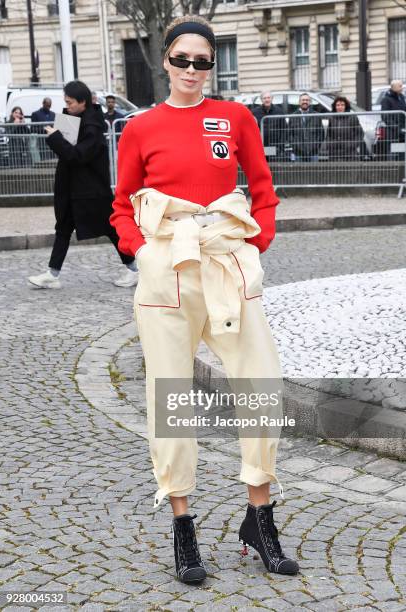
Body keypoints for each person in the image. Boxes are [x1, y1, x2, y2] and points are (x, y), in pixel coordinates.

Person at [110, 14, 299, 585]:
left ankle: (259, 516)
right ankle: (183, 525)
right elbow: (122, 204)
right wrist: (141, 251)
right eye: (181, 59)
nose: (192, 69)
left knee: (261, 382)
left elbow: (263, 189)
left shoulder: (235, 117)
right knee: (170, 396)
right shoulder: (141, 127)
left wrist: (257, 241)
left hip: (225, 261)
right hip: (167, 268)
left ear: (212, 65)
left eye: (202, 60)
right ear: (164, 61)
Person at [27, 80, 138, 290]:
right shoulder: (74, 118)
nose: (67, 106)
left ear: (82, 102)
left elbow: (77, 156)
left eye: (70, 102)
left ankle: (133, 268)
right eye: (65, 102)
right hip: (72, 189)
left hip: (91, 191)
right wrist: (59, 135)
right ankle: (52, 273)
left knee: (111, 228)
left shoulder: (93, 127)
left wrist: (55, 137)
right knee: (63, 228)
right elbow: (67, 153)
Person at [326, 96, 365, 161]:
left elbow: (360, 134)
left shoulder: (352, 117)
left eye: (342, 105)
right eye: (338, 105)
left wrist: (352, 145)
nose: (340, 107)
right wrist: (330, 144)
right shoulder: (331, 118)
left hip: (350, 154)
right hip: (335, 154)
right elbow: (328, 135)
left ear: (346, 106)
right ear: (335, 107)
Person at [288, 93, 324, 161]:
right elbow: (290, 134)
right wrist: (295, 147)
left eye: (307, 100)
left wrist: (316, 146)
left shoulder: (316, 116)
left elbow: (321, 134)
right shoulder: (293, 116)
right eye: (303, 100)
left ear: (310, 102)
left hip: (313, 152)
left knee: (314, 171)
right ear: (299, 102)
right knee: (299, 171)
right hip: (298, 153)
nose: (305, 102)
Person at [252, 92, 286, 160]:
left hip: (275, 145)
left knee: (274, 167)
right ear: (261, 100)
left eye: (268, 98)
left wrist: (281, 145)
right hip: (260, 146)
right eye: (264, 98)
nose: (267, 100)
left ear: (272, 99)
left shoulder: (279, 111)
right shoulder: (254, 112)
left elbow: (284, 129)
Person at [381, 80, 406, 160]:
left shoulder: (401, 97)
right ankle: (393, 171)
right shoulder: (386, 99)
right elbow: (385, 117)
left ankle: (402, 172)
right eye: (400, 86)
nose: (402, 88)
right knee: (392, 153)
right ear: (394, 87)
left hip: (402, 131)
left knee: (402, 153)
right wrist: (396, 127)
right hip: (392, 132)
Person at [31, 98, 56, 162]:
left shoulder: (53, 114)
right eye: (47, 105)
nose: (48, 107)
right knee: (44, 157)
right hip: (42, 140)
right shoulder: (35, 114)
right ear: (43, 103)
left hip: (52, 139)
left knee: (53, 157)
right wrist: (44, 129)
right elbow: (33, 128)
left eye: (49, 105)